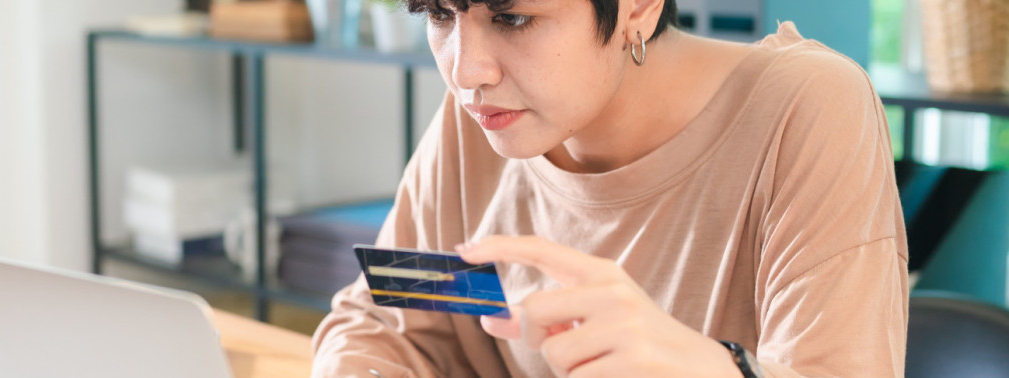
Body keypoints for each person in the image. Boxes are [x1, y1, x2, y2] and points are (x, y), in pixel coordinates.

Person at [311, 0, 908, 377]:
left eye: (512, 17)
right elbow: (386, 315)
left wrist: (711, 370)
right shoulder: (483, 117)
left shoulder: (807, 110)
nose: (466, 71)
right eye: (438, 14)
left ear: (639, 7)